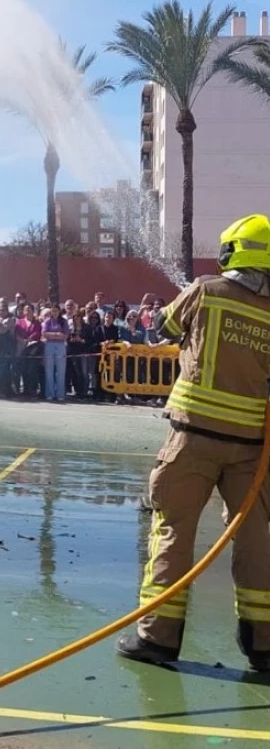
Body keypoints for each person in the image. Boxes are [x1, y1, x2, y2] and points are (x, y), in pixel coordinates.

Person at [116, 214, 270, 672]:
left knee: (173, 532)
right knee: (257, 541)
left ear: (234, 251)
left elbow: (162, 327)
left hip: (193, 441)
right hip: (252, 450)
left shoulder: (205, 290)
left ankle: (157, 639)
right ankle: (263, 645)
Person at [41, 303, 68, 402]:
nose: (54, 312)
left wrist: (53, 335)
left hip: (61, 346)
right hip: (49, 346)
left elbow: (65, 335)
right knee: (49, 370)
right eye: (53, 311)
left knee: (60, 371)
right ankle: (49, 394)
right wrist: (57, 334)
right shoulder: (47, 321)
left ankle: (60, 394)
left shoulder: (63, 321)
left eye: (56, 310)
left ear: (59, 311)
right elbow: (44, 334)